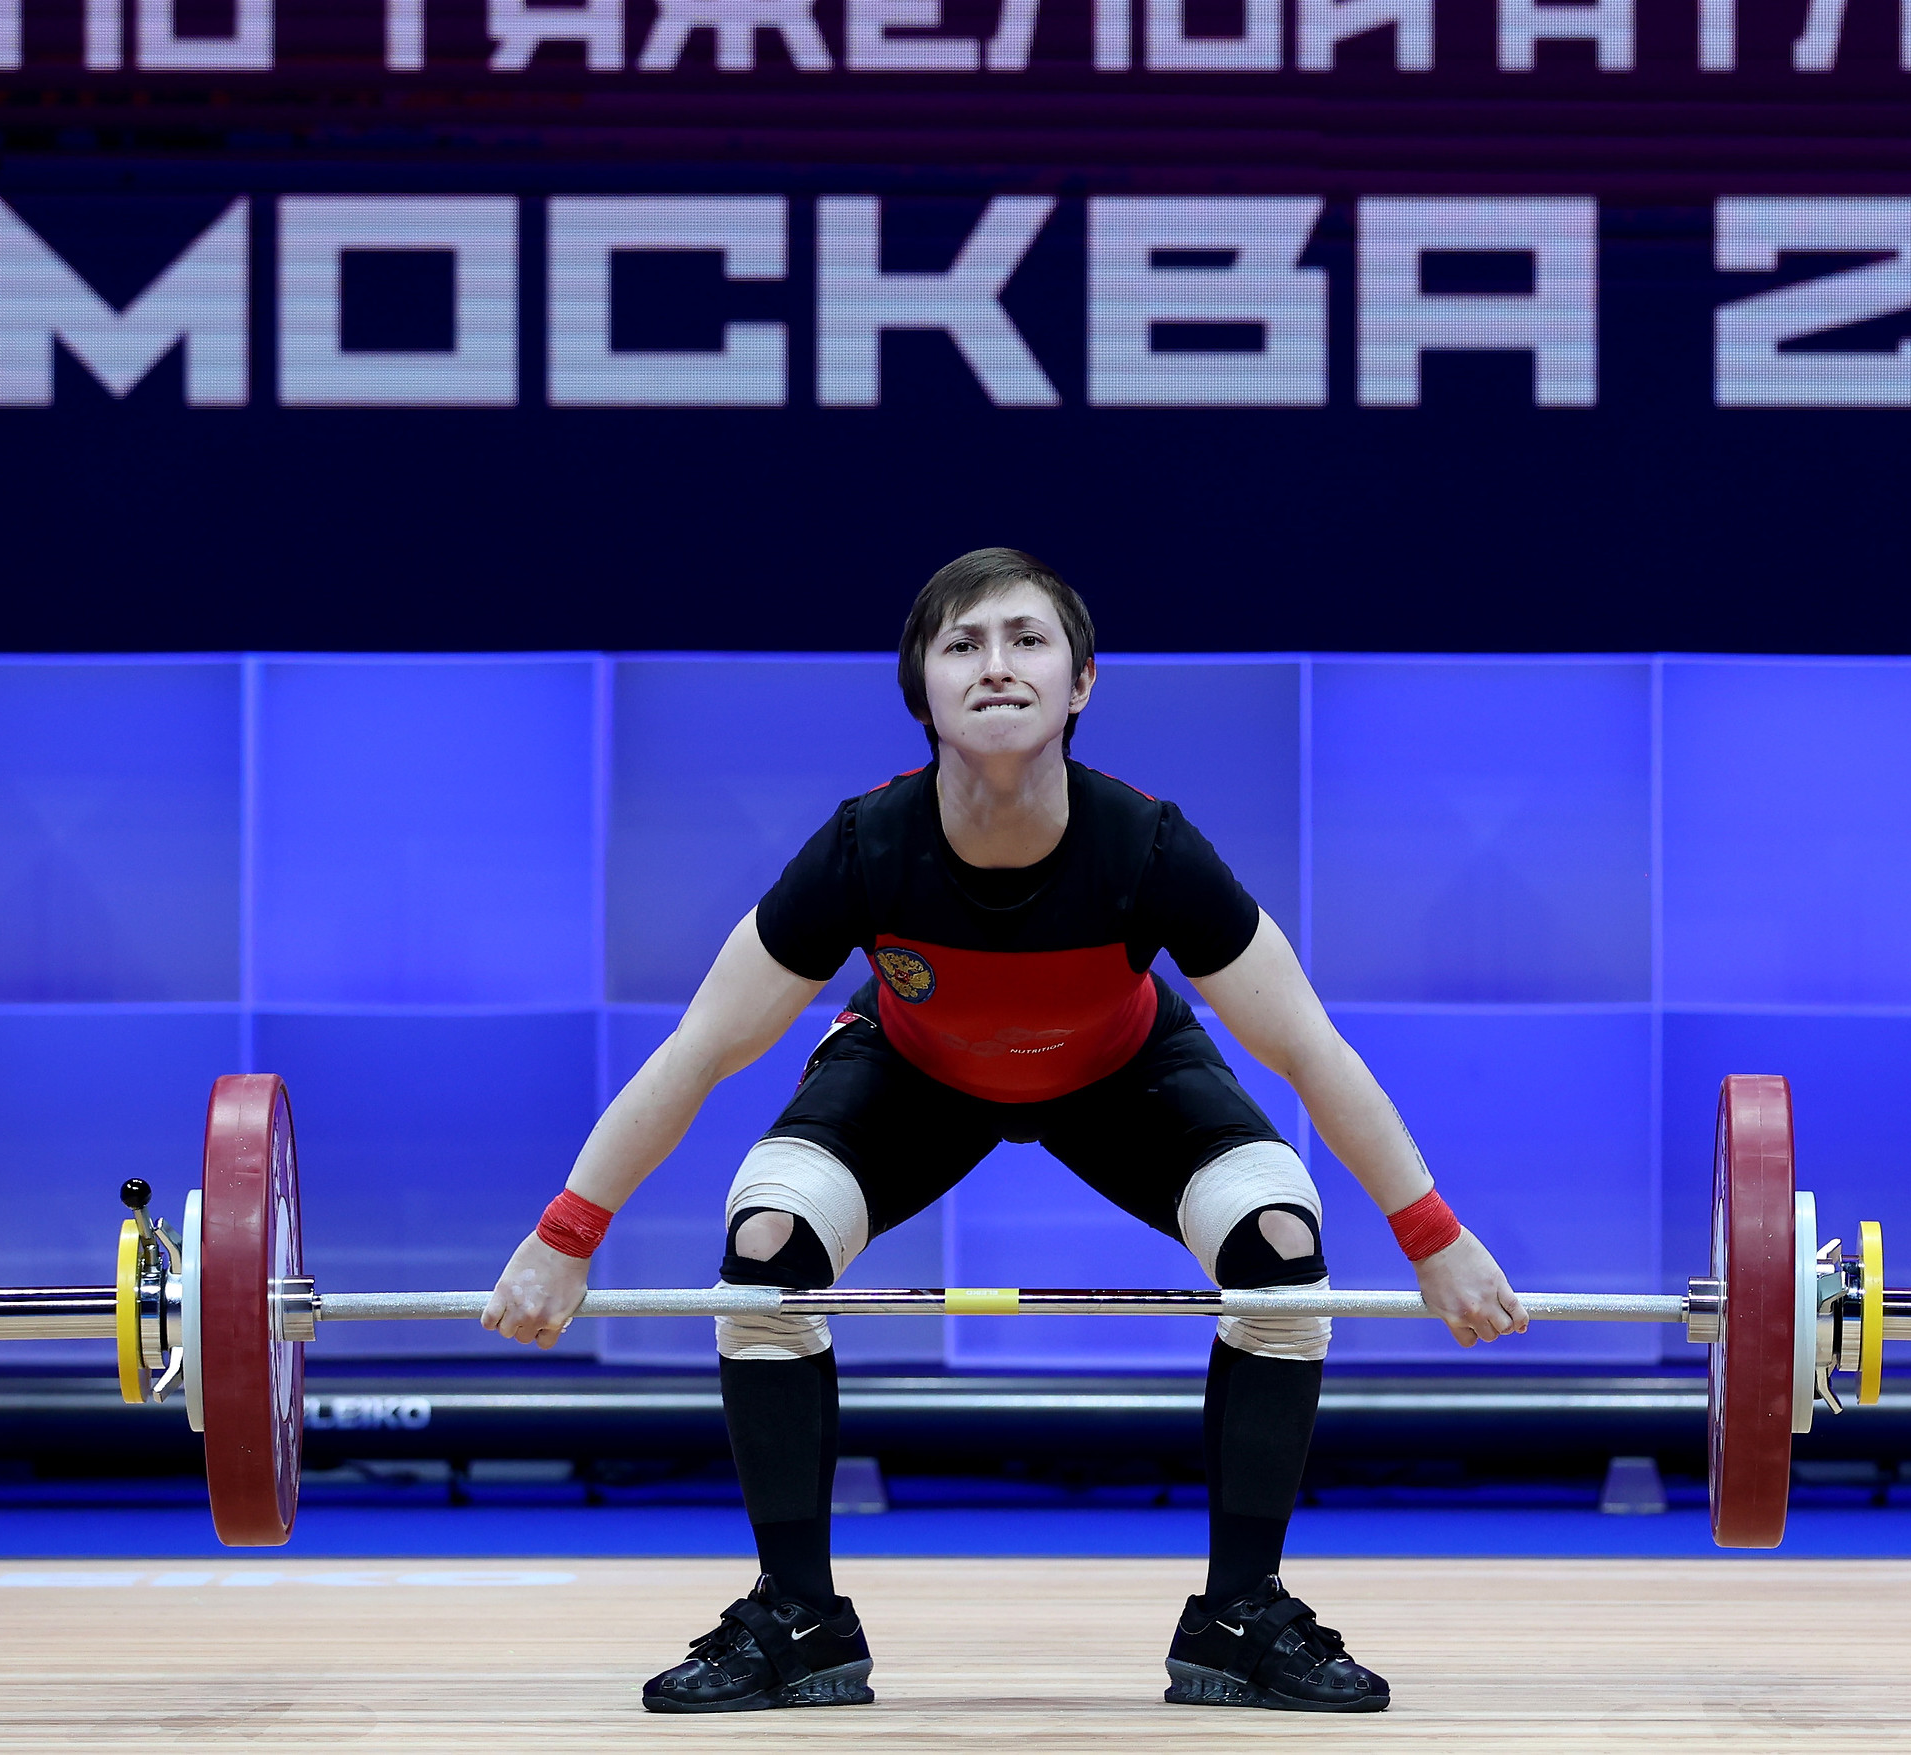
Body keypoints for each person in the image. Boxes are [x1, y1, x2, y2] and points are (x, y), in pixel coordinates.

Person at [482, 547, 1528, 1714]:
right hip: (910, 1075)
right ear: (920, 688)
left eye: (1028, 639)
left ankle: (1240, 1616)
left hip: (1125, 1075)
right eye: (963, 643)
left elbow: (1309, 1048)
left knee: (1279, 1246)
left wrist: (1434, 1237)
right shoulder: (864, 849)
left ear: (1081, 681)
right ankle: (799, 1616)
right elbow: (702, 1047)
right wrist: (565, 1235)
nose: (996, 665)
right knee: (767, 1249)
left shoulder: (1148, 848)